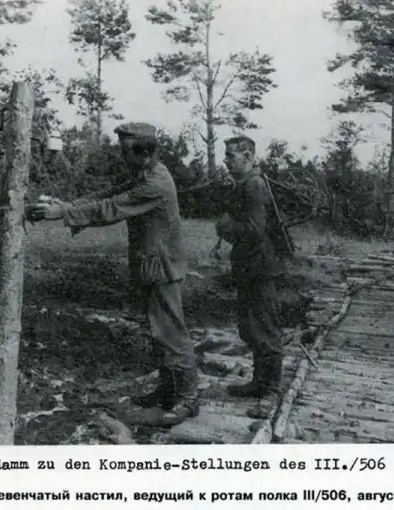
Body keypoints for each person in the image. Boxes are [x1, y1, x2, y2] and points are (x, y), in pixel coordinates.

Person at [26, 122, 199, 427]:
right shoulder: (146, 173)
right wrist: (69, 206)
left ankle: (187, 399)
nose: (121, 156)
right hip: (153, 266)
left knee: (171, 333)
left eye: (125, 151)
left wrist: (63, 213)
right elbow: (109, 194)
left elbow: (111, 208)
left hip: (162, 269)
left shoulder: (155, 184)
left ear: (144, 153)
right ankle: (169, 390)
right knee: (159, 332)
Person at [216, 135, 285, 419]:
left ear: (248, 157)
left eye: (231, 156)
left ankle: (271, 390)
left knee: (264, 327)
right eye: (226, 155)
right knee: (251, 327)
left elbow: (254, 230)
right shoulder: (245, 184)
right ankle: (259, 382)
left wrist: (225, 227)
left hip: (260, 268)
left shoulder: (254, 185)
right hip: (251, 267)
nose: (226, 161)